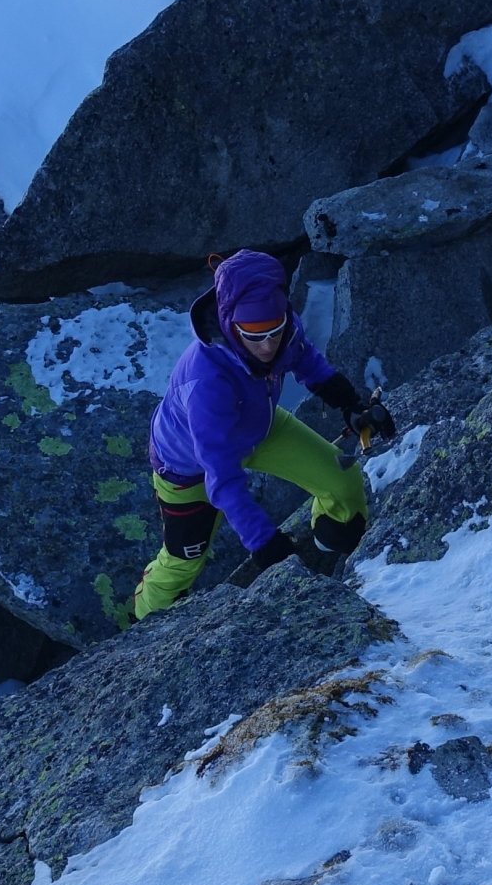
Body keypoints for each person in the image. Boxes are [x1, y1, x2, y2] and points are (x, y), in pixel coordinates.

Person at [133, 248, 394, 621]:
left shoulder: (281, 324)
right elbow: (222, 476)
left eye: (275, 330)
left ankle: (328, 549)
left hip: (260, 428)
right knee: (183, 559)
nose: (268, 345)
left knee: (343, 482)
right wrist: (264, 543)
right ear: (229, 323)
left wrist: (349, 402)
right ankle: (143, 623)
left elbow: (304, 358)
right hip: (187, 465)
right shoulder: (206, 381)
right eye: (254, 336)